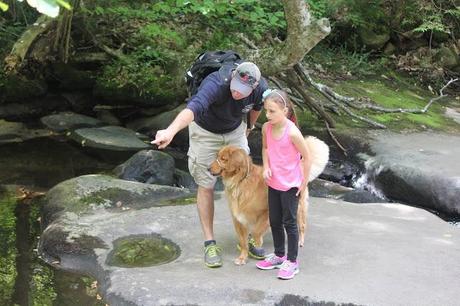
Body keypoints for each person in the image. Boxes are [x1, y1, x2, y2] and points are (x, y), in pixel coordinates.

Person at [151, 61, 268, 268]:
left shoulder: (260, 88)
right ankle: (209, 242)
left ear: (254, 86)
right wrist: (170, 131)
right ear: (232, 78)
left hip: (234, 130)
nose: (237, 94)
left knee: (246, 175)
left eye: (243, 91)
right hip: (205, 131)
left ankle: (250, 235)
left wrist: (249, 128)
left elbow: (257, 107)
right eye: (235, 88)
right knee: (206, 184)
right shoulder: (216, 83)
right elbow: (193, 109)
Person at [255, 89, 311, 280]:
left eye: (272, 111)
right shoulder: (266, 128)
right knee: (274, 221)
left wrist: (303, 184)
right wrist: (266, 167)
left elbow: (307, 157)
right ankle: (279, 255)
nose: (267, 115)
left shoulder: (293, 133)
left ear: (285, 111)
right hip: (274, 182)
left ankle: (292, 261)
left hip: (290, 185)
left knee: (290, 223)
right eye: (266, 111)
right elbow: (265, 148)